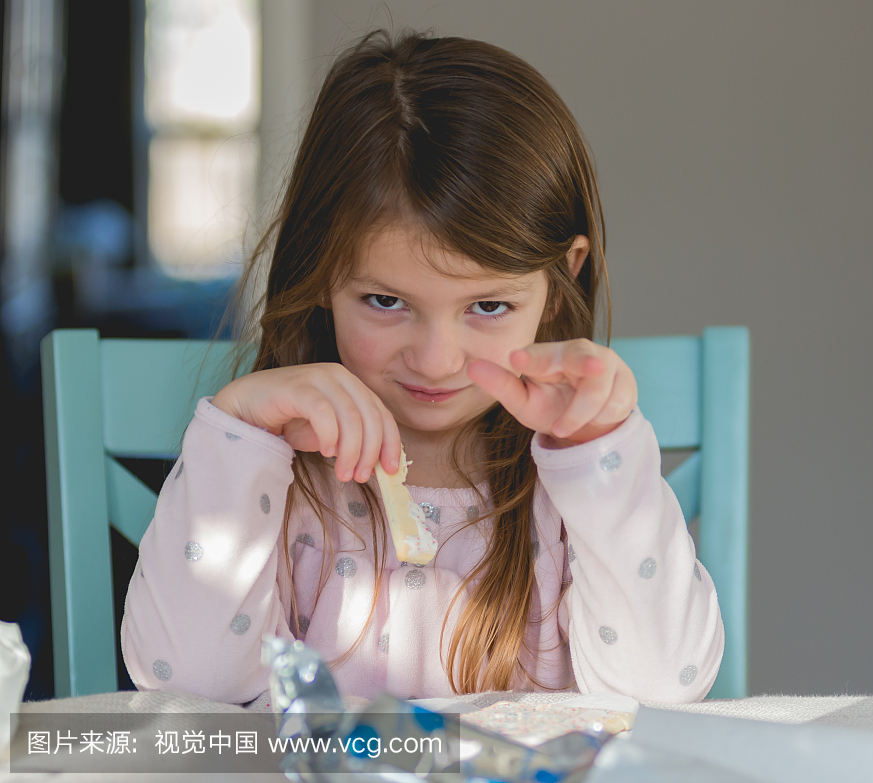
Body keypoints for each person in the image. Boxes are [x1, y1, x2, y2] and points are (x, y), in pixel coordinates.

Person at [121, 28, 723, 706]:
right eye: (385, 301)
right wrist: (240, 435)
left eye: (488, 305)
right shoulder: (280, 482)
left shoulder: (572, 492)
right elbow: (184, 686)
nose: (437, 360)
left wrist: (599, 455)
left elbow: (662, 686)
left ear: (560, 283)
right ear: (321, 271)